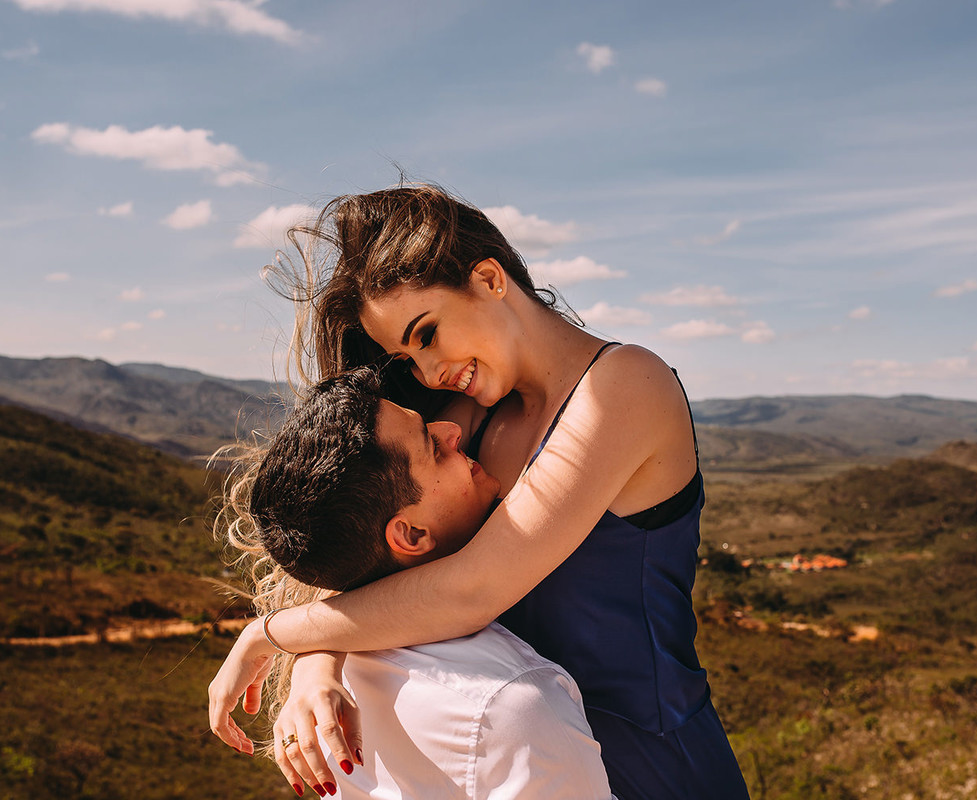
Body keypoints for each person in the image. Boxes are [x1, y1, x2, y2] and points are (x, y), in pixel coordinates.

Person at [209, 184, 750, 799]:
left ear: (490, 279)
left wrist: (274, 633)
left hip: (656, 766)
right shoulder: (471, 416)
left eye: (427, 334)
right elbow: (376, 558)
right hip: (522, 764)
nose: (428, 373)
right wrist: (318, 662)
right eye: (406, 359)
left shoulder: (625, 384)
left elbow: (471, 589)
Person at [228, 366, 614, 799]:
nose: (453, 430)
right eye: (432, 447)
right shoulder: (512, 705)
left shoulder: (330, 690)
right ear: (410, 535)